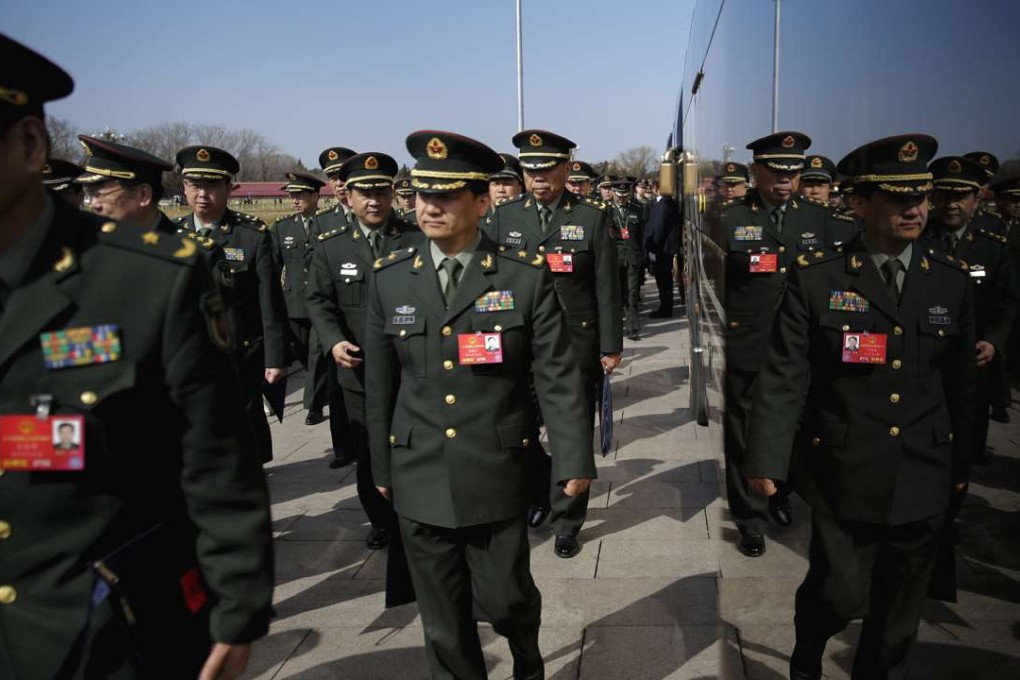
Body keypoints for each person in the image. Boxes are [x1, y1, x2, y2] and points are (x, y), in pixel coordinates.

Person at [0, 33, 273, 679]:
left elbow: (215, 461)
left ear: (31, 144)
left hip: (97, 627)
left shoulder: (149, 279)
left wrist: (236, 609)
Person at [744, 134, 976, 680]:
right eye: (898, 197)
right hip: (843, 468)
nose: (915, 209)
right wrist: (766, 458)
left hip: (923, 469)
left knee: (899, 615)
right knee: (839, 593)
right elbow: (784, 376)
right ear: (859, 202)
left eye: (920, 195)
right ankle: (808, 652)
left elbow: (961, 389)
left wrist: (959, 469)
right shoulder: (819, 276)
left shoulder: (950, 281)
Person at [365, 130, 595, 680]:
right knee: (442, 622)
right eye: (421, 194)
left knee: (507, 600)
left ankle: (526, 660)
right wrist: (381, 465)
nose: (429, 207)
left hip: (494, 467)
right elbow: (381, 386)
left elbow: (560, 378)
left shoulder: (523, 277)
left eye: (445, 195)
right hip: (418, 469)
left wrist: (572, 460)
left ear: (482, 201)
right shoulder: (392, 279)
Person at [485, 129, 622, 559]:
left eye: (547, 170)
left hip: (572, 343)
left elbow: (606, 287)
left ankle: (567, 520)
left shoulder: (591, 217)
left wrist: (610, 345)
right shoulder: (504, 219)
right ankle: (539, 492)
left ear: (566, 169)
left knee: (571, 433)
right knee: (518, 429)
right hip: (518, 345)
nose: (539, 179)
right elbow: (488, 283)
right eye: (530, 170)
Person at [720, 131, 856, 557]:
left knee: (799, 426)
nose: (785, 182)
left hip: (806, 347)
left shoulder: (822, 222)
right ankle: (749, 517)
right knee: (743, 434)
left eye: (793, 173)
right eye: (776, 172)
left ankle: (780, 492)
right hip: (751, 341)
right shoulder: (728, 219)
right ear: (756, 171)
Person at [306, 152, 422, 548]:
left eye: (381, 192)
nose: (374, 201)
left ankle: (418, 515)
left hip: (411, 367)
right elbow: (318, 302)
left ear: (392, 194)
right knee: (370, 448)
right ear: (348, 196)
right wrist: (333, 339)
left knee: (414, 442)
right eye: (364, 193)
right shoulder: (330, 248)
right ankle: (382, 520)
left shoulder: (415, 238)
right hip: (359, 369)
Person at [174, 145, 288, 462]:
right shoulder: (171, 235)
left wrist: (275, 358)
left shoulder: (251, 236)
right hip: (188, 351)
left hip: (241, 349)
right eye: (195, 185)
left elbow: (270, 302)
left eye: (211, 186)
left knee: (243, 419)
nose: (202, 195)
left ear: (229, 188)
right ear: (184, 187)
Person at [920, 156, 1018, 462]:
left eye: (960, 196)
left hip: (973, 353)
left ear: (976, 199)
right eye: (945, 195)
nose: (951, 204)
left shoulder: (994, 244)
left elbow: (1009, 300)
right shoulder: (917, 238)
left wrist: (994, 341)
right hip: (924, 352)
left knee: (968, 434)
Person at [271, 172, 331, 426]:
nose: (295, 200)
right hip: (294, 303)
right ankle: (323, 390)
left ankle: (314, 406)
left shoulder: (329, 225)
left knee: (317, 355)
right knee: (304, 354)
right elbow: (273, 267)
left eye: (301, 195)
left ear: (316, 196)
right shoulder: (282, 227)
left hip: (321, 303)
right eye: (292, 196)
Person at [610, 177, 646, 340]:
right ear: (612, 193)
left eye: (625, 194)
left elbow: (642, 234)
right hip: (614, 258)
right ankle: (615, 326)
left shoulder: (637, 209)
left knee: (632, 292)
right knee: (616, 293)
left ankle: (632, 327)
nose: (622, 197)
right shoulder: (606, 210)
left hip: (633, 256)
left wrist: (643, 256)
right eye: (619, 194)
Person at [645, 186, 682, 317]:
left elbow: (658, 227)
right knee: (664, 280)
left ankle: (665, 309)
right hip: (665, 248)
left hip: (661, 249)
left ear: (656, 188)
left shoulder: (663, 204)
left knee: (663, 280)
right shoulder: (667, 202)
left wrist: (653, 248)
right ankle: (665, 307)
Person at [318, 146, 358, 229]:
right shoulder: (321, 221)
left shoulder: (375, 214)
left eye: (343, 177)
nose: (339, 183)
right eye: (333, 179)